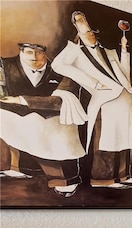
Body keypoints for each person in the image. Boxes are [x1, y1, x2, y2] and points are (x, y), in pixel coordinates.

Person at [52, 11, 132, 190]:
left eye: (92, 32)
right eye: (86, 32)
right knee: (107, 140)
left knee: (125, 139)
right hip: (105, 102)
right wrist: (93, 83)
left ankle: (123, 176)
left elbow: (125, 75)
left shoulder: (109, 52)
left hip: (126, 99)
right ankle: (103, 179)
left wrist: (124, 51)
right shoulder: (76, 54)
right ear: (78, 35)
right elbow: (57, 64)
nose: (91, 35)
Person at [0, 42, 87, 197]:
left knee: (57, 131)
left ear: (46, 53)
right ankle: (14, 167)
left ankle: (63, 180)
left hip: (49, 119)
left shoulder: (61, 71)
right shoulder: (6, 66)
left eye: (39, 52)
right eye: (29, 52)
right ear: (21, 52)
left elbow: (59, 103)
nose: (34, 57)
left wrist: (21, 100)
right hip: (14, 117)